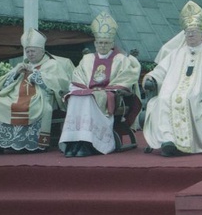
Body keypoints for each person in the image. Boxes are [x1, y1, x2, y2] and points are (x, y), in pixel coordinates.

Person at [142, 1, 202, 156]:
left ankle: (185, 144)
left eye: (194, 32)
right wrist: (151, 76)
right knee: (162, 100)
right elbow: (161, 70)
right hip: (172, 90)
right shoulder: (176, 53)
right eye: (187, 32)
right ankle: (168, 141)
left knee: (188, 98)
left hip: (199, 92)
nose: (190, 35)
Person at [59, 12, 142, 157]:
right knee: (76, 97)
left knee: (91, 98)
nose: (102, 46)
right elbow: (78, 76)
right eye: (100, 43)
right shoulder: (88, 59)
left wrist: (106, 89)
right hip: (89, 92)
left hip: (109, 93)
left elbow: (127, 78)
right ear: (95, 44)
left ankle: (89, 143)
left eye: (106, 43)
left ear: (111, 44)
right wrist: (85, 89)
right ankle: (74, 141)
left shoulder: (121, 59)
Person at [0, 29, 74, 154]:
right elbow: (4, 84)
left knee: (34, 107)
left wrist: (36, 74)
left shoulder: (52, 64)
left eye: (33, 51)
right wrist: (16, 72)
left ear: (42, 51)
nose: (30, 54)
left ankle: (32, 144)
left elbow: (60, 84)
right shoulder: (23, 64)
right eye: (27, 51)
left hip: (40, 97)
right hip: (15, 95)